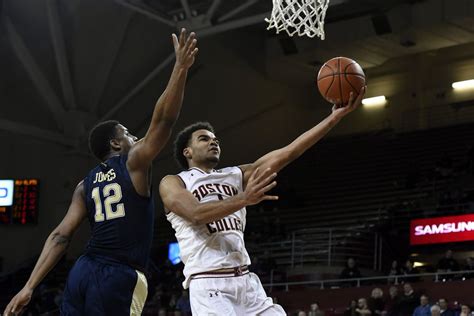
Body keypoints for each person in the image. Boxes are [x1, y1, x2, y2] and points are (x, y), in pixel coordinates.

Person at [3, 29, 198, 316]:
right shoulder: (134, 162)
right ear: (116, 143)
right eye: (129, 134)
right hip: (118, 276)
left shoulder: (84, 185)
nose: (135, 138)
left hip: (82, 273)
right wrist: (180, 68)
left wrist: (29, 286)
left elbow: (60, 236)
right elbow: (164, 120)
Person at [159, 89, 366, 314]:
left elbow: (290, 152)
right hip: (209, 284)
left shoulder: (235, 175)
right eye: (204, 138)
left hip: (246, 282)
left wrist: (334, 117)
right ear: (187, 151)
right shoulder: (173, 182)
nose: (213, 142)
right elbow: (196, 214)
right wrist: (244, 199)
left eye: (215, 139)